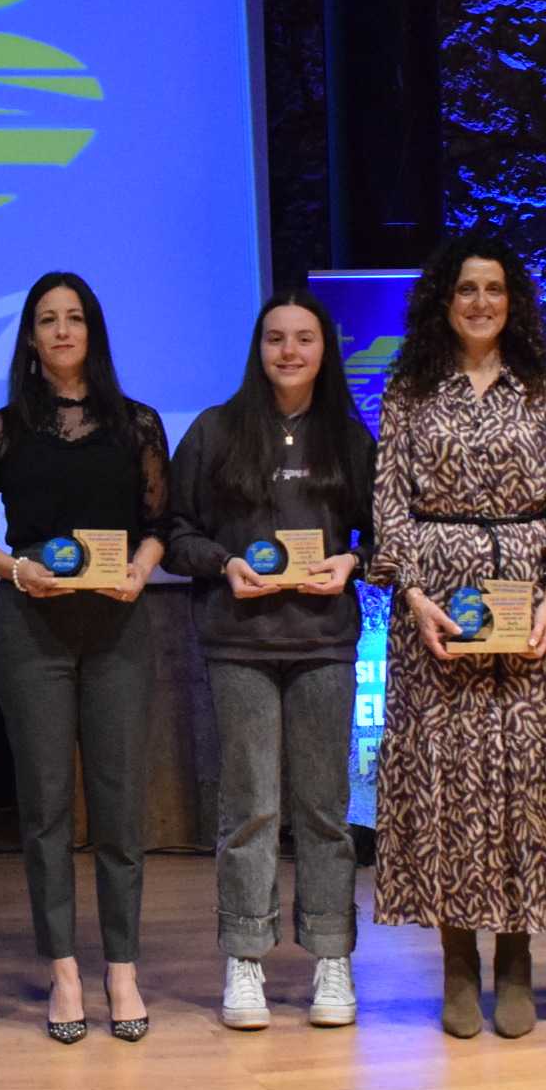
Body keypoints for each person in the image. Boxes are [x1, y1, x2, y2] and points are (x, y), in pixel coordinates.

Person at [374, 234, 546, 1039]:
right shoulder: (409, 389)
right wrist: (414, 596)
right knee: (447, 788)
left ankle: (516, 957)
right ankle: (457, 962)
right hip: (435, 610)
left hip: (529, 603)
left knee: (524, 785)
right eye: (466, 288)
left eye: (495, 289)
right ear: (444, 300)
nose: (481, 302)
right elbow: (389, 504)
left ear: (515, 301)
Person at [0, 273, 170, 1044]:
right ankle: (64, 971)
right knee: (45, 808)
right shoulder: (0, 429)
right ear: (29, 336)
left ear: (93, 330)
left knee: (119, 806)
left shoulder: (138, 424)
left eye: (74, 317)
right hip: (32, 629)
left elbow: (160, 524)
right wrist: (17, 569)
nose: (61, 330)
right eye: (46, 319)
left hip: (117, 627)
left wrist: (140, 570)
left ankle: (123, 969)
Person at [167, 287, 375, 1032]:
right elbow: (176, 532)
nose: (289, 351)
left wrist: (352, 562)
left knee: (323, 810)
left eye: (304, 339)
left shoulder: (349, 437)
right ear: (257, 349)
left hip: (323, 643)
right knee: (250, 808)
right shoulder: (215, 431)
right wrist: (223, 563)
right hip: (240, 643)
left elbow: (382, 535)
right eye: (275, 338)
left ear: (324, 351)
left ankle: (331, 954)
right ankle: (245, 955)